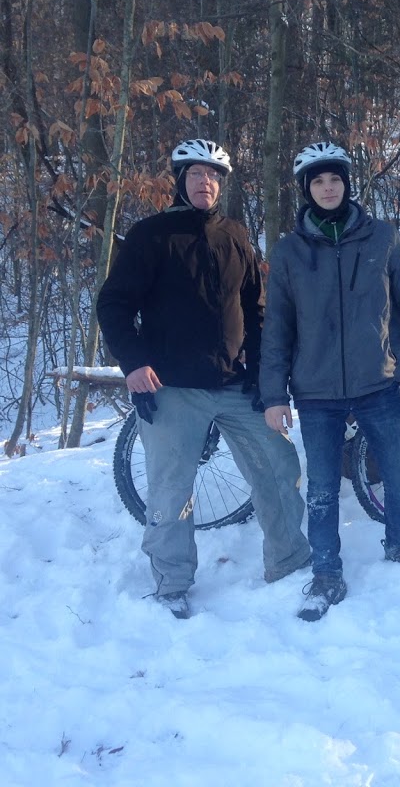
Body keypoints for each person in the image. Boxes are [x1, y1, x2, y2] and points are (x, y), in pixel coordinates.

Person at [97, 139, 311, 619]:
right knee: (172, 488)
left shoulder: (236, 234)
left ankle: (290, 561)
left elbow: (257, 309)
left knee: (279, 468)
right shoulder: (150, 236)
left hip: (237, 386)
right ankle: (172, 583)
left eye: (213, 175)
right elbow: (113, 304)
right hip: (172, 388)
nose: (205, 182)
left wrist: (261, 375)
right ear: (179, 180)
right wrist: (133, 363)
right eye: (195, 174)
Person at [260, 141, 400, 622]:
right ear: (307, 190)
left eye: (335, 179)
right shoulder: (287, 252)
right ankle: (326, 573)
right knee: (323, 487)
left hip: (377, 382)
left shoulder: (381, 238)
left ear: (347, 184)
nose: (328, 188)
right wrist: (273, 395)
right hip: (315, 392)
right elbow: (277, 329)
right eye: (318, 181)